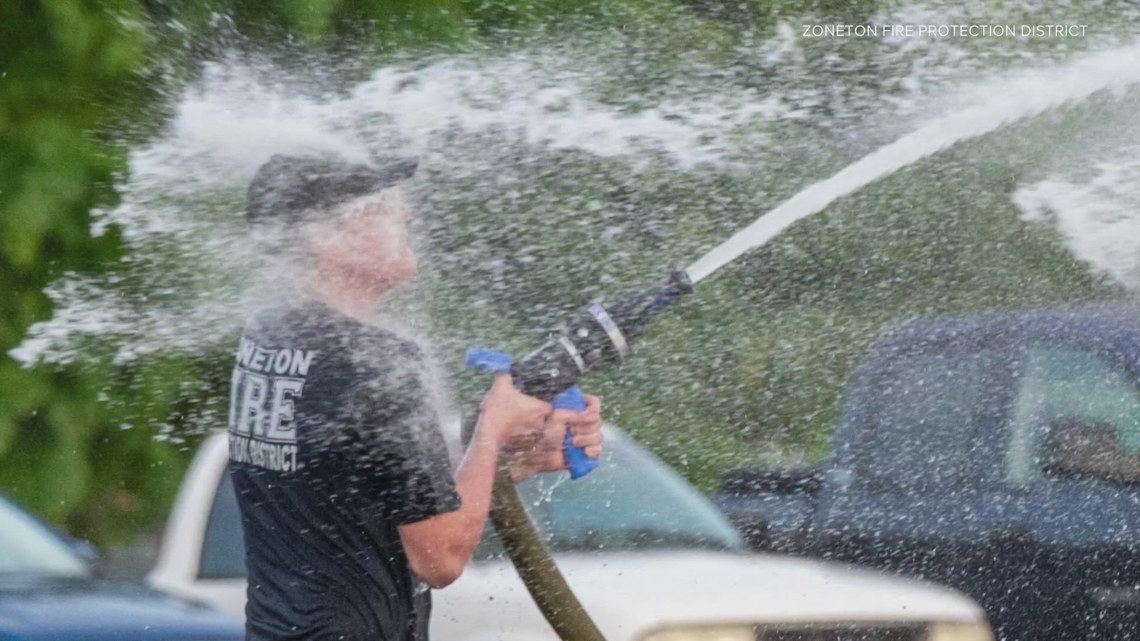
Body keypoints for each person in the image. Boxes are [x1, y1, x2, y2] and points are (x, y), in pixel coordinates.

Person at [227, 152, 604, 641]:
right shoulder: (378, 362)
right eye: (380, 209)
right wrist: (491, 426)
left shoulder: (271, 336)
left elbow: (361, 493)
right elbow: (439, 558)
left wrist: (503, 458)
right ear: (325, 239)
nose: (405, 215)